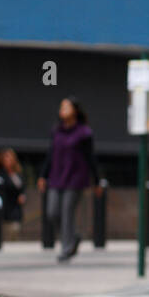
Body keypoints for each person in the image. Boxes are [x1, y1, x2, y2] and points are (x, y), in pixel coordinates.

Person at [38, 97, 100, 263]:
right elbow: (50, 154)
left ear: (75, 110)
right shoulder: (56, 131)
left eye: (66, 107)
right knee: (52, 212)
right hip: (56, 176)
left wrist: (97, 180)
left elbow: (90, 157)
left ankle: (66, 249)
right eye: (61, 107)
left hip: (75, 178)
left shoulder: (84, 133)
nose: (62, 109)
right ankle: (74, 237)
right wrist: (43, 175)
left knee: (67, 213)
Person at [0, 149, 27, 236]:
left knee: (15, 233)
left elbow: (22, 188)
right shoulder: (0, 175)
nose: (8, 161)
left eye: (10, 158)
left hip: (16, 211)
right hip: (5, 211)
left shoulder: (18, 174)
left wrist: (23, 195)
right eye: (6, 158)